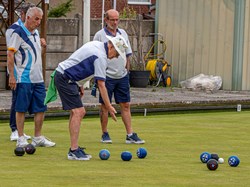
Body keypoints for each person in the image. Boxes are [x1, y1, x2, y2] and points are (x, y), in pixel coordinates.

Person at [46, 35, 128, 161]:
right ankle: (73, 150)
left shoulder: (95, 44)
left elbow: (79, 61)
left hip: (67, 77)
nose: (116, 57)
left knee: (75, 112)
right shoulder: (101, 57)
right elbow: (101, 85)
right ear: (111, 46)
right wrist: (109, 106)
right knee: (79, 111)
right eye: (117, 53)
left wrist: (80, 84)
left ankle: (74, 148)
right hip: (65, 78)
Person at [93, 9, 145, 144]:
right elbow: (95, 55)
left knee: (126, 104)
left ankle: (130, 134)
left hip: (122, 76)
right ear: (106, 20)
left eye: (117, 20)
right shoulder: (99, 35)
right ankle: (104, 133)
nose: (115, 22)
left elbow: (127, 54)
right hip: (106, 76)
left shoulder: (123, 34)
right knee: (105, 106)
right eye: (112, 20)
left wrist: (127, 71)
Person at [7, 6, 55, 148]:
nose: (38, 22)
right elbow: (10, 55)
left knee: (41, 108)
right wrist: (12, 76)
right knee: (21, 108)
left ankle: (38, 137)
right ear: (27, 17)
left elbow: (35, 57)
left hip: (38, 78)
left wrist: (43, 48)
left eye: (40, 19)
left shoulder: (36, 34)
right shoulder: (18, 33)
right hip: (23, 78)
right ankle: (20, 137)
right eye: (36, 19)